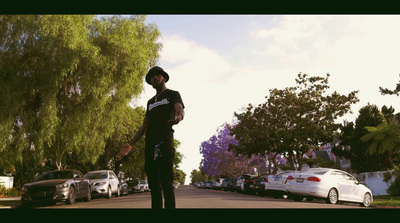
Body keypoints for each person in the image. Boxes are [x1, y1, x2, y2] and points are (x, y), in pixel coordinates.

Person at [117, 66, 185, 209]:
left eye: (157, 75)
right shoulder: (150, 102)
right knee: (154, 184)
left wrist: (179, 116)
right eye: (151, 76)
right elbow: (144, 125)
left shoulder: (172, 94)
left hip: (165, 142)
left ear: (164, 77)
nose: (154, 78)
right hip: (150, 144)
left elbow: (179, 108)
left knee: (166, 182)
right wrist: (130, 145)